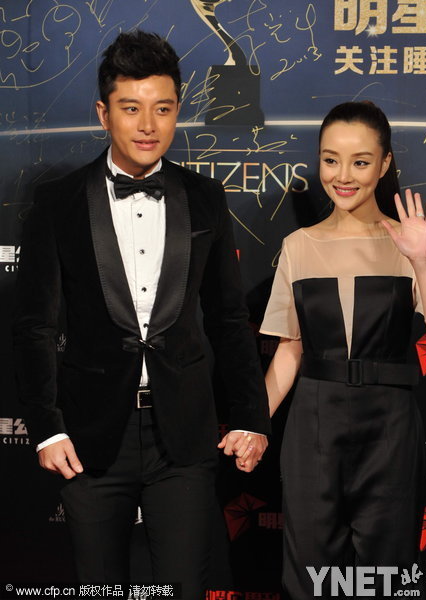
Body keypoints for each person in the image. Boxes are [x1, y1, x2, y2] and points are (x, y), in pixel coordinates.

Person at [13, 30, 270, 599]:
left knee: (184, 588)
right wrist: (47, 427)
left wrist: (250, 415)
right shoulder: (58, 201)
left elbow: (228, 319)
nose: (148, 125)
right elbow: (35, 326)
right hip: (89, 436)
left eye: (163, 108)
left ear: (178, 111)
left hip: (184, 437)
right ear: (103, 114)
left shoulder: (205, 197)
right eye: (131, 109)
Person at [260, 101, 426, 599]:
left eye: (360, 162)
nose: (343, 176)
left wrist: (421, 261)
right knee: (309, 575)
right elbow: (289, 351)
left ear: (384, 164)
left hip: (389, 424)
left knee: (384, 574)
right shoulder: (299, 245)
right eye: (331, 160)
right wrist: (252, 423)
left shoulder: (411, 241)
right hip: (314, 422)